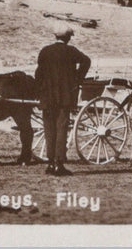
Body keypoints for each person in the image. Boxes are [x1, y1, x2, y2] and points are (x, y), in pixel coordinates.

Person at [35, 23, 91, 176]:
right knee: (61, 128)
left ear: (55, 36)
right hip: (65, 96)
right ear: (67, 38)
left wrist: (40, 89)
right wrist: (77, 79)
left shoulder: (45, 51)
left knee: (49, 129)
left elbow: (38, 74)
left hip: (47, 96)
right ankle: (59, 163)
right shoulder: (71, 51)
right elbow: (87, 61)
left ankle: (50, 163)